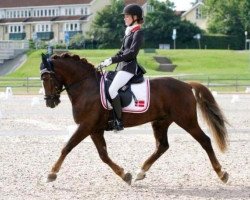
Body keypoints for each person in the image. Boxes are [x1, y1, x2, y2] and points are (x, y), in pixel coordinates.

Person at [100, 4, 145, 131]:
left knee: (112, 90)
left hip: (129, 68)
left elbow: (131, 53)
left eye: (127, 16)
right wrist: (107, 61)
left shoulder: (138, 33)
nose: (124, 18)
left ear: (135, 17)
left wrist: (113, 60)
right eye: (124, 16)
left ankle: (118, 122)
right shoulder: (129, 33)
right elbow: (121, 52)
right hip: (121, 67)